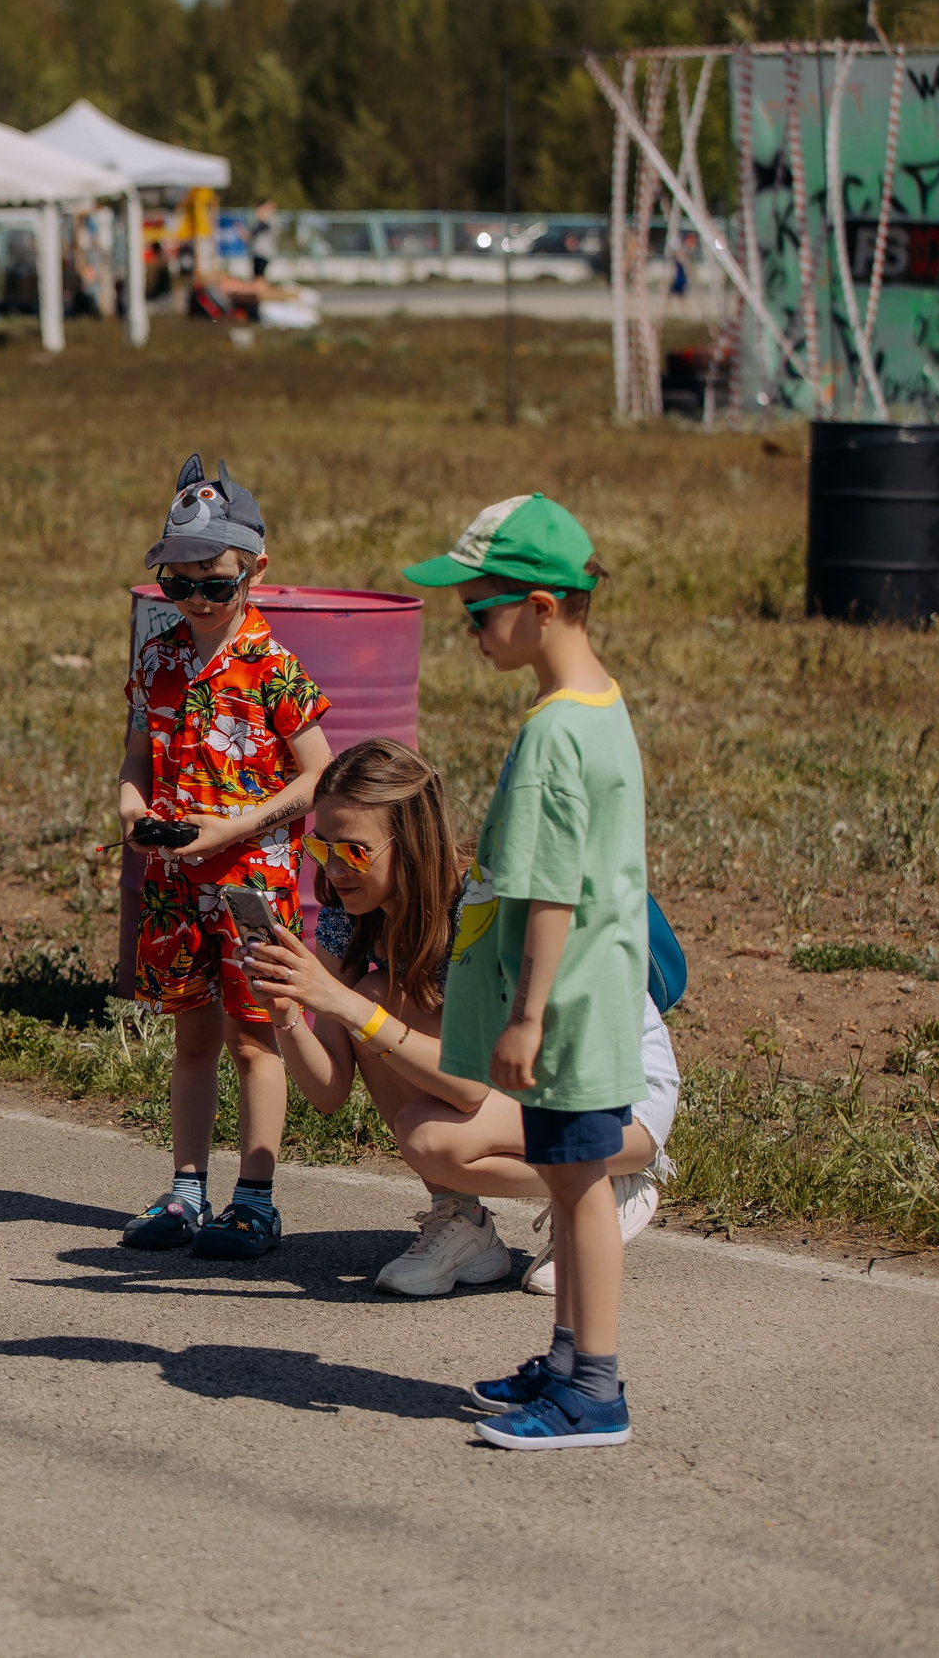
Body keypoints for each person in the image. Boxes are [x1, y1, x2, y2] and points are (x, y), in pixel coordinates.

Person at [243, 738, 677, 1297]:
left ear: (412, 842)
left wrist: (345, 1003)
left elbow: (467, 1090)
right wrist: (288, 1017)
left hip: (614, 1090)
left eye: (353, 852)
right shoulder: (346, 918)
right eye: (321, 850)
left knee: (429, 1135)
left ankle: (601, 1184)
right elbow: (328, 1093)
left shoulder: (486, 903)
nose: (334, 870)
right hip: (523, 1079)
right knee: (378, 994)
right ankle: (463, 1223)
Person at [410, 494, 649, 1450]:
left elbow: (550, 889)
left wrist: (526, 1013)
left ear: (543, 605)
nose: (468, 627)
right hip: (595, 988)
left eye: (480, 609)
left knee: (581, 1191)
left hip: (569, 999)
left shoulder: (554, 733)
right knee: (564, 1178)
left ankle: (595, 1389)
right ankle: (564, 1364)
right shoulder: (598, 701)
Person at [116, 455, 333, 1259]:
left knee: (256, 1037)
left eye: (216, 583)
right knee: (192, 1038)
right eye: (181, 584)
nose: (198, 600)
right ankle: (184, 1190)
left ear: (257, 570)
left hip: (252, 883)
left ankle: (255, 1197)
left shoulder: (273, 667)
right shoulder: (160, 657)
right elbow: (137, 757)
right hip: (177, 884)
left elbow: (319, 774)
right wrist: (134, 806)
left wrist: (240, 823)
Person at [249, 200, 280, 280]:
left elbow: (265, 224)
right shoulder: (258, 222)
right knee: (256, 276)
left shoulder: (272, 219)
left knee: (260, 276)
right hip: (257, 252)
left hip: (265, 252)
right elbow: (250, 237)